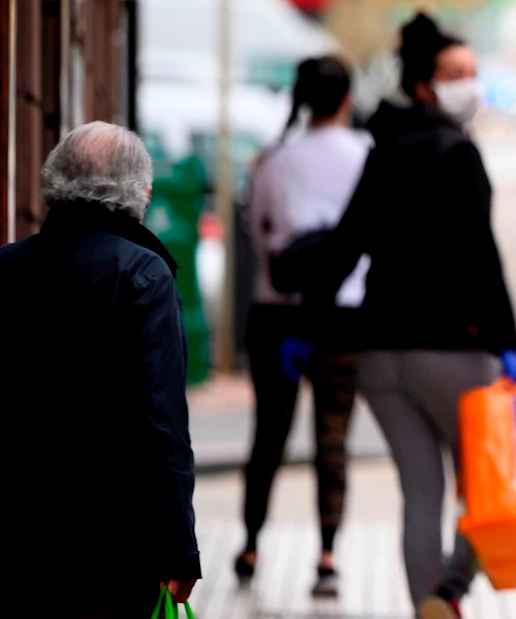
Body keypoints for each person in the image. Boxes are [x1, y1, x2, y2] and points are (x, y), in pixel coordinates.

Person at [309, 12, 516, 619]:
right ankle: (451, 592)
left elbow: (342, 247)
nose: (470, 85)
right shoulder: (459, 154)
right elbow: (484, 260)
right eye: (457, 74)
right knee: (487, 489)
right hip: (454, 350)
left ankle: (427, 608)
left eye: (474, 73)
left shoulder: (382, 152)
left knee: (420, 494)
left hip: (380, 355)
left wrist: (309, 328)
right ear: (426, 86)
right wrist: (509, 345)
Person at [2, 122, 200, 617]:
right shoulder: (143, 274)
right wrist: (178, 547)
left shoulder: (5, 266)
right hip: (113, 538)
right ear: (142, 193)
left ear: (55, 180)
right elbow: (163, 421)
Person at [237, 55, 369, 597]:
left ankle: (249, 544)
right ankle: (328, 555)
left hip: (278, 313)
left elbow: (259, 227)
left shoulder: (272, 161)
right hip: (344, 312)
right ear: (346, 99)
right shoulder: (367, 157)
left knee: (268, 434)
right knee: (332, 435)